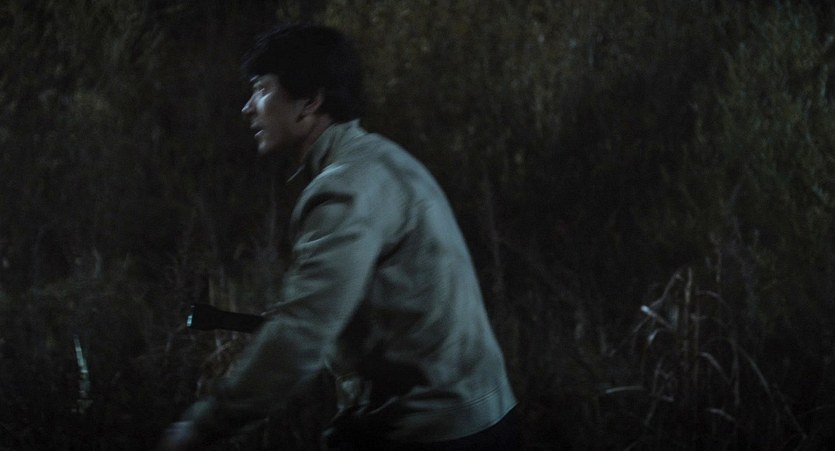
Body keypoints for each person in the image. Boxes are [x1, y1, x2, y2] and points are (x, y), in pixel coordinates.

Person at [159, 23, 517, 450]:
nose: (247, 108)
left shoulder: (344, 189)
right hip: (475, 414)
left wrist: (202, 427)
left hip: (433, 431)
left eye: (262, 89)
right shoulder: (382, 158)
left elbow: (302, 333)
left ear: (310, 101)